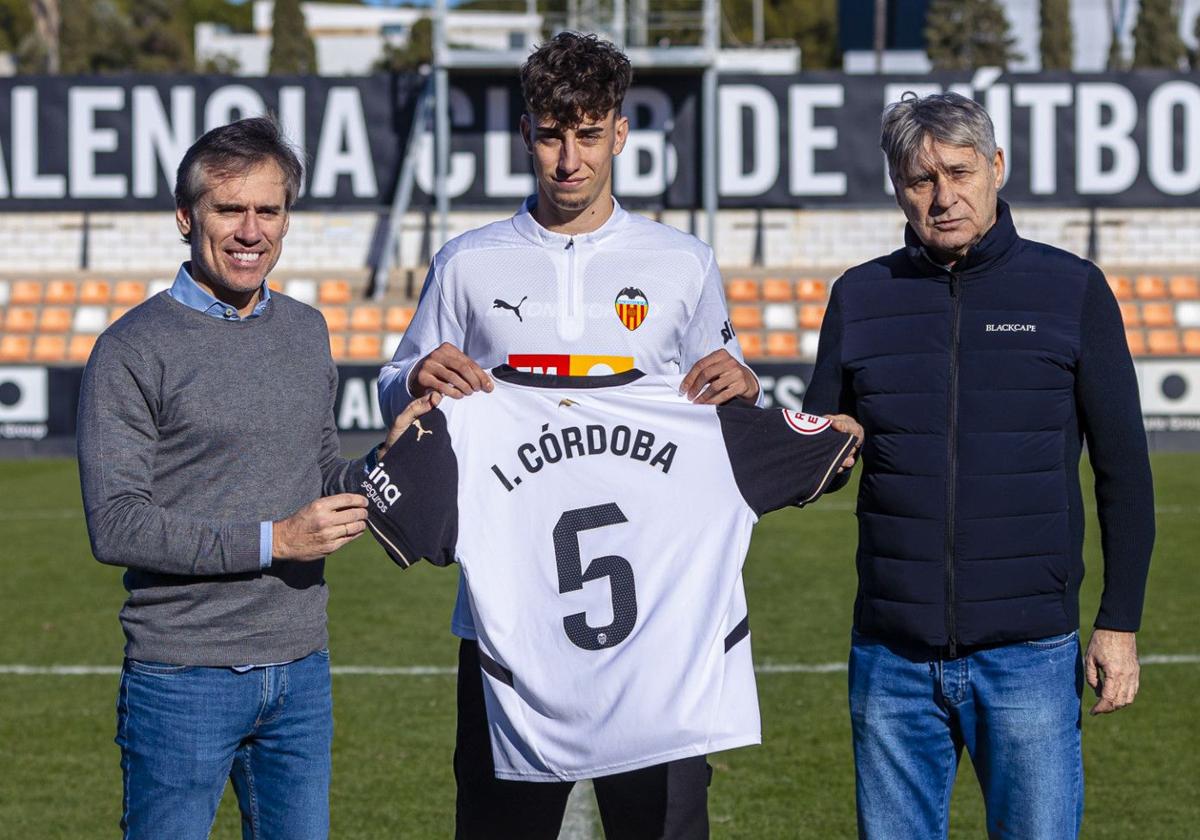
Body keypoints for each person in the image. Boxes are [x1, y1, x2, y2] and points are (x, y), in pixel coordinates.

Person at [378, 31, 778, 839]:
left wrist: (747, 382)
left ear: (620, 134)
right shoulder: (468, 262)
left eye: (588, 134)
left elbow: (726, 391)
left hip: (661, 626)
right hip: (507, 618)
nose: (570, 159)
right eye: (553, 134)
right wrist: (415, 380)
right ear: (527, 133)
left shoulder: (682, 261)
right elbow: (396, 381)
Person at [803, 91, 1154, 839]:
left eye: (960, 172)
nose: (943, 197)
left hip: (1029, 657)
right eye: (920, 180)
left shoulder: (1071, 289)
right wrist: (811, 445)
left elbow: (1124, 470)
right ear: (897, 186)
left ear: (997, 166)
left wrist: (1118, 623)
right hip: (891, 659)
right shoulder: (860, 297)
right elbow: (821, 454)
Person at [77, 116, 426, 839]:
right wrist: (276, 541)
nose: (250, 230)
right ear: (186, 217)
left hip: (300, 672)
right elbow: (117, 524)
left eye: (268, 210)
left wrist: (388, 456)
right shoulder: (131, 349)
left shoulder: (305, 329)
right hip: (182, 677)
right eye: (229, 209)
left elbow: (323, 470)